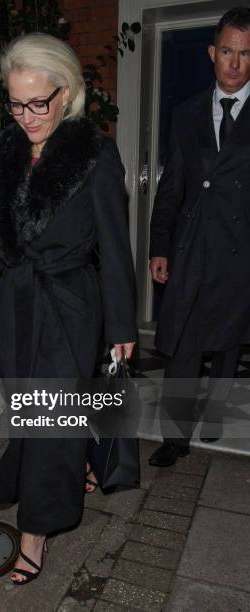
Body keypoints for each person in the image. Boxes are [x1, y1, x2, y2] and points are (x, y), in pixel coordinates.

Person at [0, 33, 137, 584]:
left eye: (38, 103)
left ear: (65, 93)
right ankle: (81, 464)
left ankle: (36, 530)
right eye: (16, 103)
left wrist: (122, 324)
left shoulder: (93, 151)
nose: (26, 116)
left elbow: (116, 247)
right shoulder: (2, 151)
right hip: (16, 300)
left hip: (69, 302)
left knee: (48, 417)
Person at [149, 6, 250, 468]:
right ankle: (175, 436)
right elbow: (172, 186)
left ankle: (214, 412)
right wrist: (159, 246)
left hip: (240, 250)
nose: (235, 63)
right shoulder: (187, 113)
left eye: (245, 54)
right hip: (193, 246)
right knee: (184, 341)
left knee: (229, 341)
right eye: (227, 51)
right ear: (213, 52)